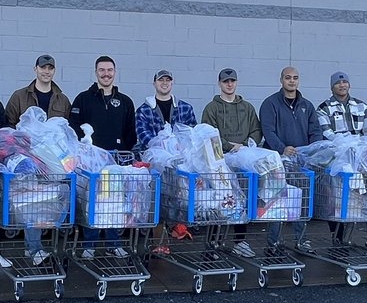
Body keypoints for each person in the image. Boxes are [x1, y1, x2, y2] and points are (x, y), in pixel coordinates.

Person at [70, 56, 137, 259]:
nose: (106, 74)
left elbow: (130, 132)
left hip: (115, 163)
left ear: (115, 72)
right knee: (92, 202)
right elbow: (73, 128)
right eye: (102, 70)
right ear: (95, 72)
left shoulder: (125, 101)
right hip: (91, 163)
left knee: (114, 202)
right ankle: (89, 244)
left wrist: (121, 151)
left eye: (109, 70)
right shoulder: (83, 98)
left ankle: (113, 243)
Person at [259, 66, 322, 255]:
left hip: (300, 163)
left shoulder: (307, 106)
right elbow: (268, 130)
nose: (292, 81)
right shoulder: (270, 104)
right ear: (281, 80)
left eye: (295, 78)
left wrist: (313, 150)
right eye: (288, 78)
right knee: (277, 202)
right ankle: (273, 243)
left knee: (301, 201)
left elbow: (315, 131)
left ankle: (302, 240)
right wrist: (282, 148)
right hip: (277, 162)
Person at [200, 68, 262, 259]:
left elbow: (256, 131)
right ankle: (213, 243)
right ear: (219, 83)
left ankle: (239, 241)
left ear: (236, 83)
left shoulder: (247, 107)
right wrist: (228, 146)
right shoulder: (212, 108)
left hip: (243, 159)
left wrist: (243, 146)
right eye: (225, 81)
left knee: (242, 202)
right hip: (220, 162)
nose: (229, 84)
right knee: (220, 201)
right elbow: (207, 135)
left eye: (232, 81)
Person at [317, 71, 367, 244]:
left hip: (360, 158)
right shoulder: (324, 108)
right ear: (332, 87)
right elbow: (326, 132)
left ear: (349, 85)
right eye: (338, 83)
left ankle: (357, 235)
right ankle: (337, 236)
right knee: (337, 197)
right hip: (338, 159)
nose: (342, 85)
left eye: (345, 82)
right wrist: (345, 144)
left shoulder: (361, 105)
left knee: (358, 197)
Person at [135, 69, 197, 153]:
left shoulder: (186, 108)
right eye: (160, 80)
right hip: (154, 159)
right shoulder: (143, 111)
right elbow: (143, 136)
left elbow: (192, 133)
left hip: (182, 158)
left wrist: (182, 145)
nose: (164, 83)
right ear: (154, 83)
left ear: (172, 83)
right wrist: (165, 145)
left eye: (168, 80)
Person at [5, 54, 71, 125]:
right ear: (35, 69)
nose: (47, 71)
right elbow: (8, 124)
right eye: (43, 67)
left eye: (50, 68)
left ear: (54, 70)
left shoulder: (63, 100)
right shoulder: (19, 97)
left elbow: (69, 127)